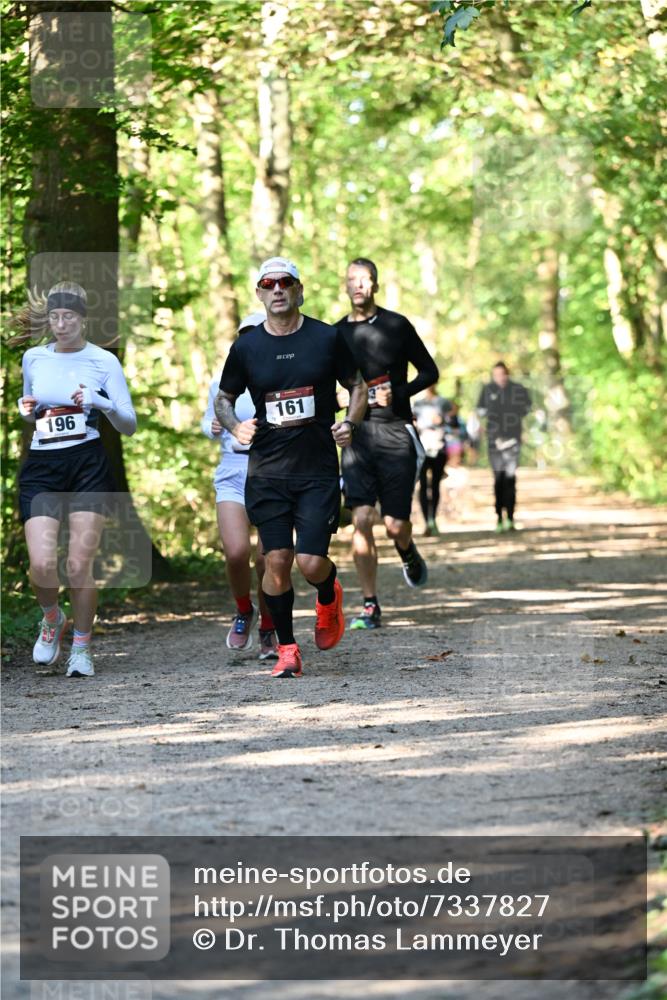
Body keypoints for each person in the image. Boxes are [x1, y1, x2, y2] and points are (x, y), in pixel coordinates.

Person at [215, 257, 366, 678]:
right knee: (276, 560)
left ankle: (328, 593)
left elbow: (357, 386)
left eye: (286, 282)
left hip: (316, 468)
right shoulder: (246, 347)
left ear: (299, 290)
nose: (278, 289)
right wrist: (235, 425)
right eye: (269, 283)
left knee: (311, 563)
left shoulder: (327, 337)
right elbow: (223, 399)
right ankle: (286, 649)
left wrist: (350, 423)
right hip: (266, 470)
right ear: (260, 293)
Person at [17, 281, 136, 677]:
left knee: (78, 564)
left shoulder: (103, 361)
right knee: (41, 564)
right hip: (42, 466)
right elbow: (34, 409)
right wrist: (28, 410)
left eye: (68, 316)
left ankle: (82, 648)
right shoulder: (33, 357)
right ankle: (53, 618)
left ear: (83, 319)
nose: (61, 324)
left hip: (87, 464)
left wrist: (100, 402)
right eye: (54, 317)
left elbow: (129, 423)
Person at [335, 258, 438, 631]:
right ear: (345, 286)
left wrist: (399, 392)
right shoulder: (334, 335)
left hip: (395, 433)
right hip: (357, 436)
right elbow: (324, 388)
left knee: (395, 525)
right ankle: (369, 604)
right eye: (352, 280)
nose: (358, 285)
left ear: (375, 285)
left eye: (365, 280)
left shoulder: (397, 325)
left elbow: (430, 371)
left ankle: (407, 552)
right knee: (361, 518)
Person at [201, 311, 278, 660]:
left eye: (255, 334)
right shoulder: (221, 380)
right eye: (243, 335)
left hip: (272, 473)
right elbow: (208, 420)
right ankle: (244, 610)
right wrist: (213, 428)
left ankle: (268, 627)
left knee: (266, 559)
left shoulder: (278, 376)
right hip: (232, 474)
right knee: (235, 553)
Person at [477, 361, 532, 532]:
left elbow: (528, 410)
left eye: (503, 374)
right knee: (498, 479)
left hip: (513, 441)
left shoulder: (518, 390)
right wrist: (481, 426)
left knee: (510, 478)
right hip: (494, 442)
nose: (500, 378)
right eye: (496, 375)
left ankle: (510, 517)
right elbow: (479, 411)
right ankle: (499, 517)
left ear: (507, 374)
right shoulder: (487, 390)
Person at [412, 384, 451, 536]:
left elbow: (451, 422)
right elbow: (413, 424)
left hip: (438, 448)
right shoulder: (418, 404)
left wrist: (441, 421)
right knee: (422, 485)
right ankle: (426, 521)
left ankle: (432, 519)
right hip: (421, 449)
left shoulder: (443, 402)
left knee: (434, 485)